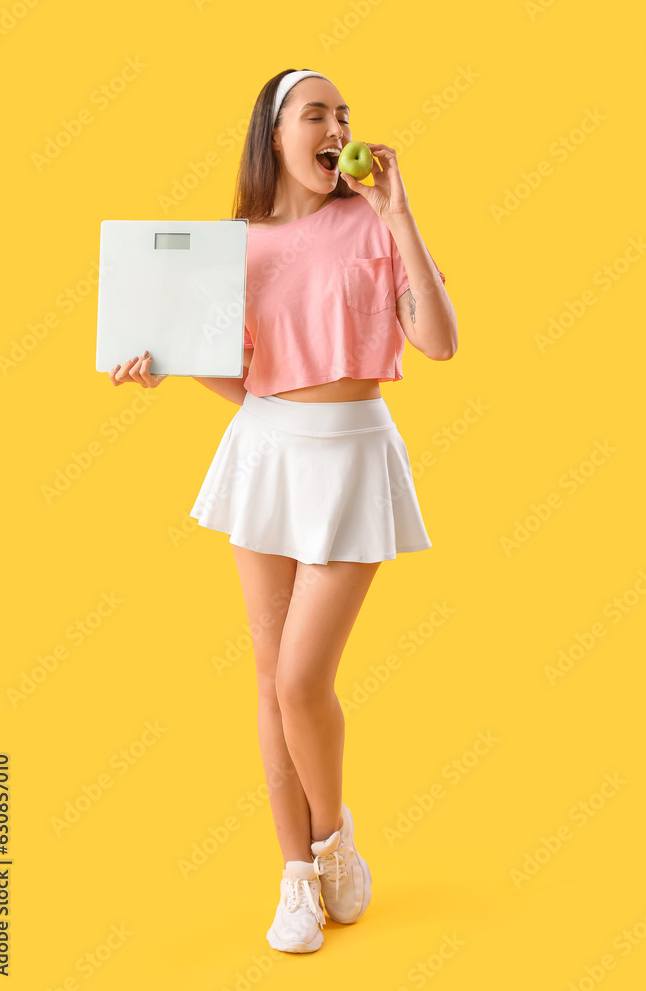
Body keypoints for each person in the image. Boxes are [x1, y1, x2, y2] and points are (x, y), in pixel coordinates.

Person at [109, 68, 457, 955]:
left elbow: (437, 342)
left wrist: (400, 216)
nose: (336, 125)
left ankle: (332, 836)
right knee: (269, 681)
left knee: (304, 680)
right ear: (274, 135)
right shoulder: (239, 245)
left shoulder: (372, 225)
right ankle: (296, 875)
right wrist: (170, 360)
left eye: (343, 114)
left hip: (352, 456)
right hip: (265, 454)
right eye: (317, 113)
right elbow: (249, 378)